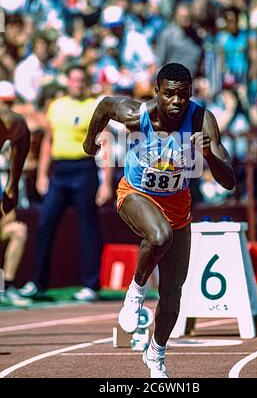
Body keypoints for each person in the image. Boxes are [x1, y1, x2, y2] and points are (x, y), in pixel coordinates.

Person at [83, 63, 236, 378]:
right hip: (135, 195)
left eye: (182, 95)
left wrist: (208, 156)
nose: (176, 102)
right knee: (160, 236)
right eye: (169, 95)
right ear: (157, 93)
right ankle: (135, 294)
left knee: (172, 294)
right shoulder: (136, 115)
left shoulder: (201, 120)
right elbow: (104, 106)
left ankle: (156, 355)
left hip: (178, 206)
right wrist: (90, 142)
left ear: (190, 94)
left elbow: (229, 181)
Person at [19, 65, 113, 301]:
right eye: (74, 80)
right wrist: (42, 174)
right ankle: (37, 282)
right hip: (59, 171)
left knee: (88, 228)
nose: (77, 84)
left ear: (86, 82)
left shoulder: (95, 106)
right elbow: (48, 141)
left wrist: (106, 183)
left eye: (81, 80)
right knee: (44, 223)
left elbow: (107, 143)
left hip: (84, 168)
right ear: (68, 82)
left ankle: (91, 285)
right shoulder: (56, 106)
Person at [0, 107, 30, 306]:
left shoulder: (10, 122)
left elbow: (23, 132)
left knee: (18, 229)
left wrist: (13, 184)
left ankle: (6, 286)